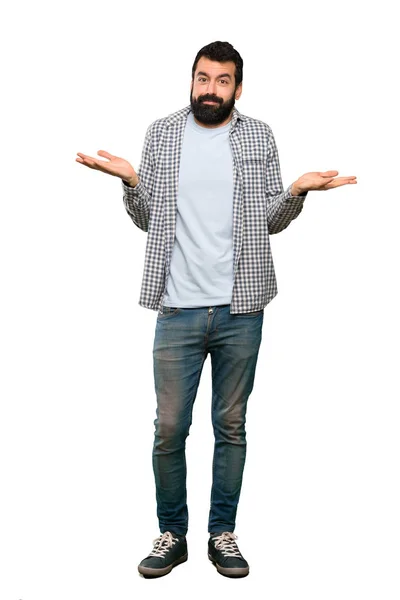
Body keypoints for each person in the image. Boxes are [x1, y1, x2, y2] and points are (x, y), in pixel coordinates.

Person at [76, 40, 357, 579]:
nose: (210, 89)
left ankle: (221, 535)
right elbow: (148, 220)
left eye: (222, 81)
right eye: (203, 78)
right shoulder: (162, 132)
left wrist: (298, 190)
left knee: (231, 426)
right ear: (191, 81)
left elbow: (270, 220)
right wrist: (132, 180)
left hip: (241, 308)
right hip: (177, 308)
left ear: (238, 87)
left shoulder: (258, 135)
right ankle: (171, 535)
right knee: (168, 428)